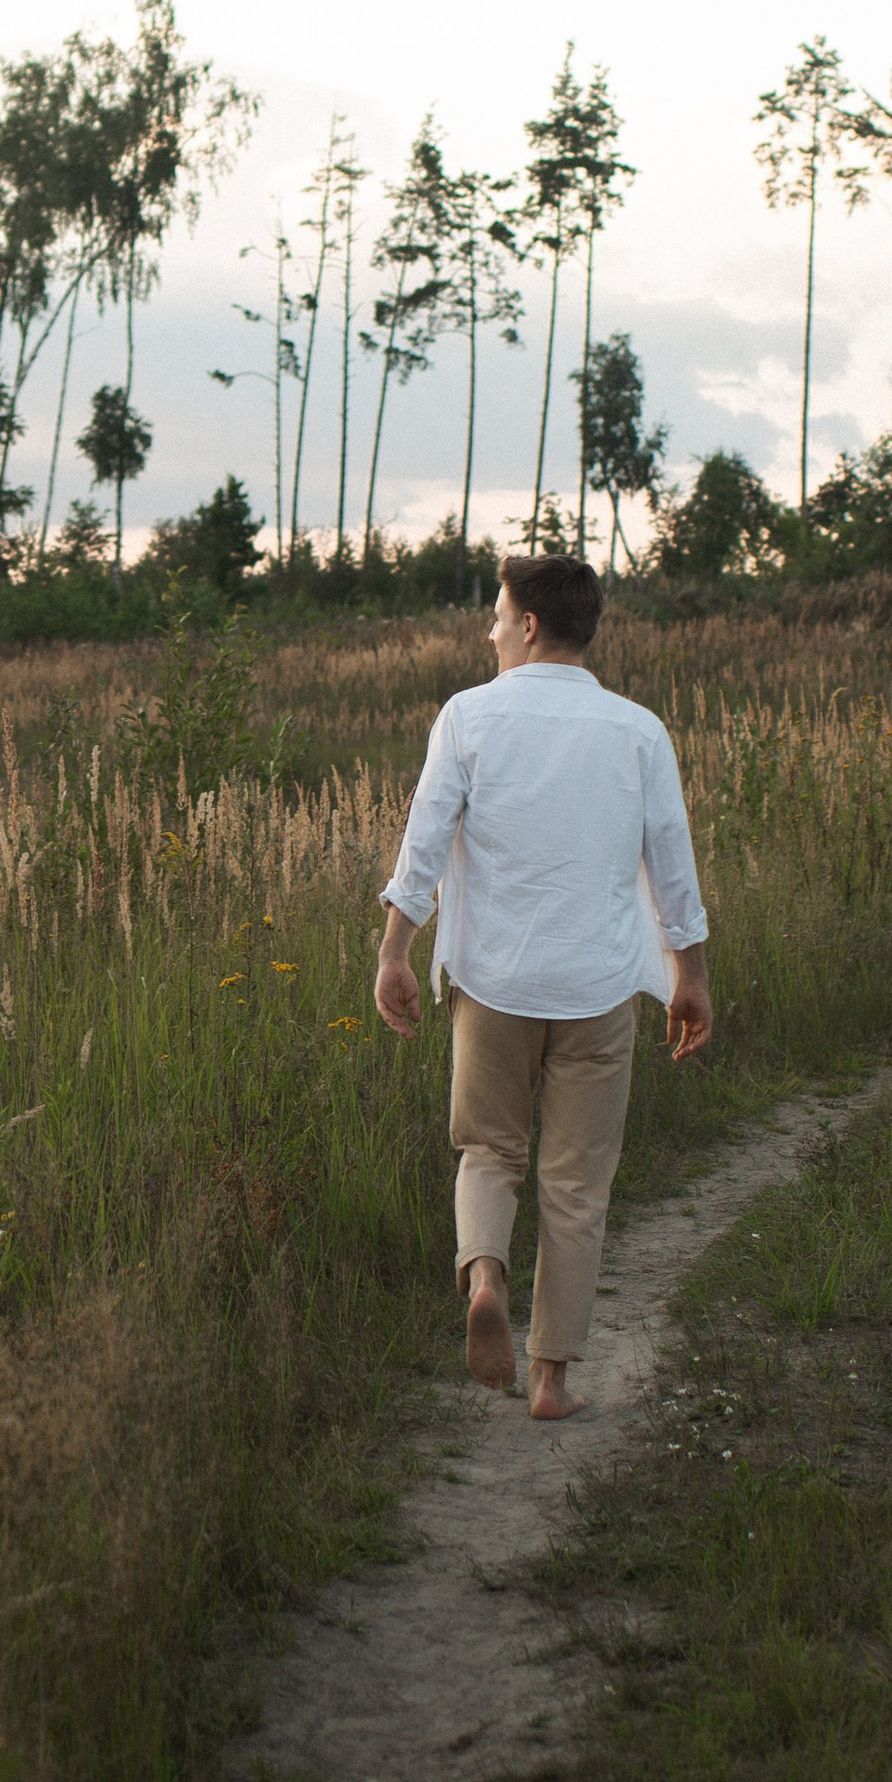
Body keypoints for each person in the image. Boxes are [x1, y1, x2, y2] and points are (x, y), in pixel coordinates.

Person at [373, 546, 712, 1420]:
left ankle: (485, 1275)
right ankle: (551, 1377)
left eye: (494, 618)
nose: (488, 634)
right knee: (576, 1186)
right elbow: (671, 864)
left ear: (528, 624)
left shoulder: (469, 717)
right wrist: (690, 976)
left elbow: (422, 842)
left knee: (490, 1152)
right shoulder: (638, 730)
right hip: (598, 989)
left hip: (495, 982)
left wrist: (395, 951)